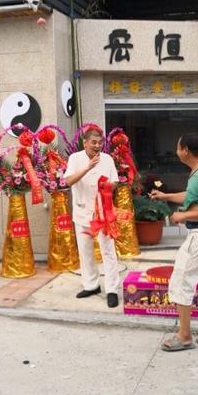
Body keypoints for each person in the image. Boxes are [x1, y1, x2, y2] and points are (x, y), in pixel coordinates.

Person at [150, 132, 198, 352]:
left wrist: (182, 216)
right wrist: (165, 196)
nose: (176, 151)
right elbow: (192, 196)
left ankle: (184, 336)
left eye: (177, 147)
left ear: (185, 150)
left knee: (182, 281)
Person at [65, 125, 120, 308]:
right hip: (82, 212)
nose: (97, 146)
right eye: (94, 142)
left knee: (108, 251)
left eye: (100, 142)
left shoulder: (108, 159)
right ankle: (91, 285)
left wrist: (107, 186)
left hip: (103, 214)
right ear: (85, 142)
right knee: (85, 251)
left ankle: (112, 289)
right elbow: (68, 181)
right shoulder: (75, 158)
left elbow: (115, 182)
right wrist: (88, 167)